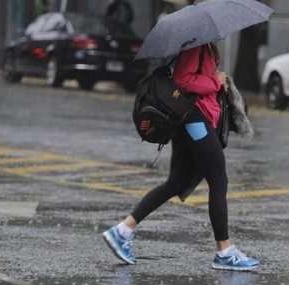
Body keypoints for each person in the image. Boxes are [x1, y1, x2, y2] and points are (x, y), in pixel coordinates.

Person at [102, 42, 260, 271]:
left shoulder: (204, 47)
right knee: (218, 180)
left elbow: (199, 81)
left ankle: (122, 231)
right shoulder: (195, 46)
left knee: (176, 182)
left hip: (194, 119)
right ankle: (224, 252)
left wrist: (217, 82)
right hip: (193, 120)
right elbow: (183, 80)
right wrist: (215, 81)